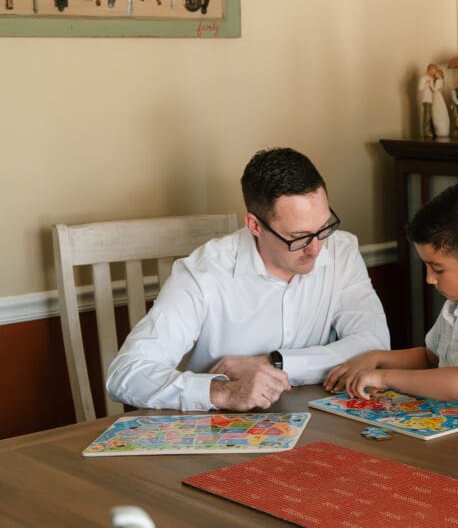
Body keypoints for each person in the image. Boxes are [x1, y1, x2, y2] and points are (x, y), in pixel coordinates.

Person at [106, 148, 391, 412]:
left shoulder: (341, 251)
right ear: (255, 225)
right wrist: (223, 392)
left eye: (323, 227)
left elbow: (373, 345)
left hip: (315, 426)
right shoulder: (203, 274)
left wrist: (275, 363)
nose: (316, 248)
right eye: (298, 237)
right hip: (218, 436)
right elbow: (126, 373)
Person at [323, 184, 458, 416]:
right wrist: (375, 358)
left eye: (438, 269)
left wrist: (384, 377)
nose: (429, 279)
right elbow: (431, 357)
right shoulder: (457, 303)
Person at [419, 63, 441, 138]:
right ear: (429, 70)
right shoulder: (423, 78)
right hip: (426, 99)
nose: (434, 73)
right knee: (427, 116)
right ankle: (426, 131)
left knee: (431, 115)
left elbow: (434, 88)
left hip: (432, 99)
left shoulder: (431, 78)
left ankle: (431, 130)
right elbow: (420, 88)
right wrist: (426, 84)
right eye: (433, 71)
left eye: (435, 72)